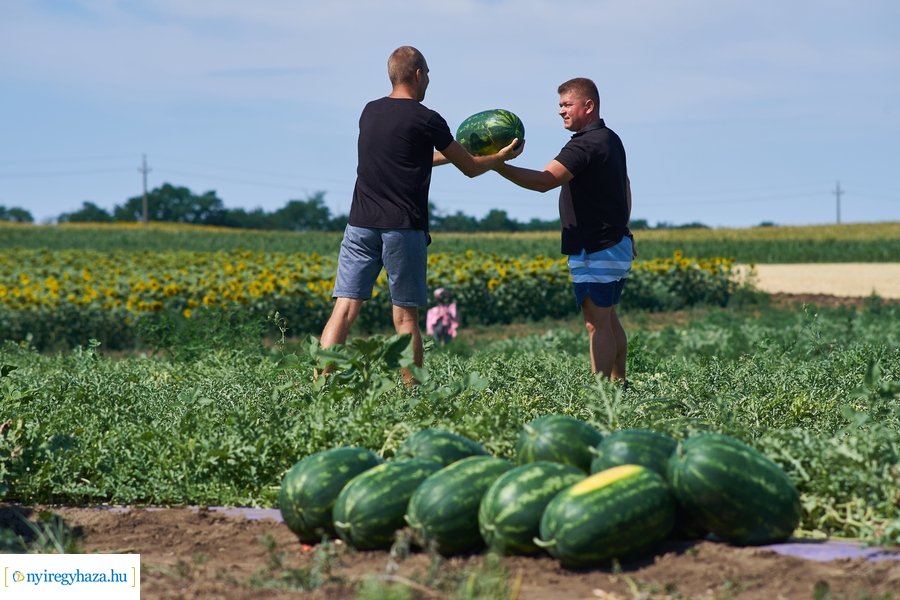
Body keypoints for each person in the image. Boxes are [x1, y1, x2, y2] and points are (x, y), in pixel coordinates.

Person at [318, 46, 523, 382]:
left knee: (344, 309)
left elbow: (411, 158)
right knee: (405, 318)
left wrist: (460, 154)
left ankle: (320, 383)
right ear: (417, 74)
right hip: (403, 228)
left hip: (360, 225)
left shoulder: (368, 112)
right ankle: (411, 393)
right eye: (427, 74)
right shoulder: (427, 118)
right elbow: (470, 169)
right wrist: (499, 156)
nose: (428, 80)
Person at [493, 77, 632, 382]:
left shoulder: (585, 144)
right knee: (607, 318)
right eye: (560, 105)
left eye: (567, 104)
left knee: (596, 324)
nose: (561, 111)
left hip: (595, 246)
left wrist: (497, 164)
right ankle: (618, 385)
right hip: (614, 242)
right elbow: (625, 187)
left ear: (589, 106)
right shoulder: (610, 139)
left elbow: (545, 181)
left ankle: (601, 394)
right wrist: (625, 231)